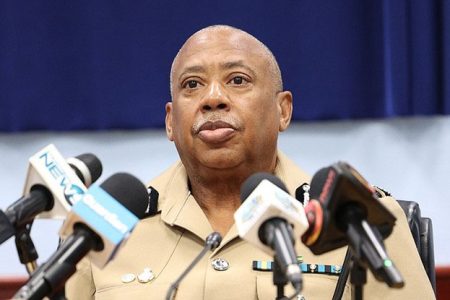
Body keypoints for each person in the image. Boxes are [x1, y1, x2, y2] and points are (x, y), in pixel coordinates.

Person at [66, 25, 435, 299]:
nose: (212, 99)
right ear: (169, 121)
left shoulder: (359, 219)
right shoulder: (100, 225)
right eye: (192, 85)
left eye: (238, 80)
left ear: (283, 110)